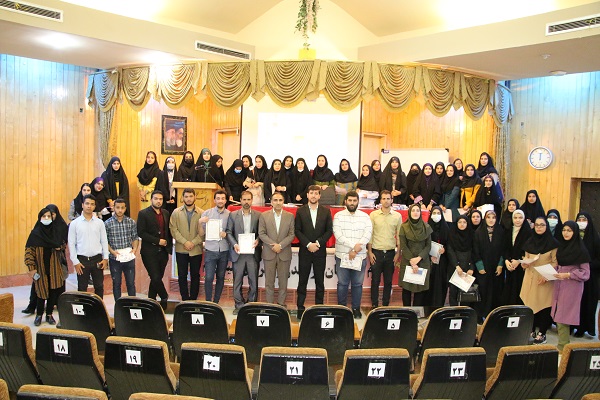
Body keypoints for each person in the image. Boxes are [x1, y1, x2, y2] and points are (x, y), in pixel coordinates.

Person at [294, 185, 333, 318]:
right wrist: (308, 244)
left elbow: (329, 231)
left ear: (320, 196)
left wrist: (318, 243)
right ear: (307, 195)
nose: (314, 195)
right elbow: (297, 230)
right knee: (302, 280)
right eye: (311, 193)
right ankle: (300, 308)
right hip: (305, 251)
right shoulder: (300, 211)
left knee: (320, 281)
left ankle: (319, 308)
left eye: (316, 193)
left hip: (319, 251)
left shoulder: (326, 211)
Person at [551, 221, 590, 351]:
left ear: (575, 232)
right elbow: (559, 265)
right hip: (559, 283)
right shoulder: (562, 247)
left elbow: (586, 273)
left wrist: (569, 274)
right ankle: (564, 345)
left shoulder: (581, 250)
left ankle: (563, 346)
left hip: (572, 286)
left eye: (569, 230)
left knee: (563, 316)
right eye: (564, 230)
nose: (565, 233)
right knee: (558, 313)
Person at [333, 191, 372, 319]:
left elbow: (368, 234)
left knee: (357, 284)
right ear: (345, 201)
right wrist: (353, 247)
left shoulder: (365, 217)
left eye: (354, 201)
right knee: (342, 283)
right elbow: (338, 234)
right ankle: (342, 309)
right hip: (342, 255)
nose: (352, 203)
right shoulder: (338, 216)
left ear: (358, 202)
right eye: (349, 200)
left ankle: (356, 308)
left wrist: (355, 250)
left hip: (359, 256)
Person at [24, 207, 66, 326]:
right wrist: (31, 268)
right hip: (40, 269)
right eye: (44, 216)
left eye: (49, 216)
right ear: (40, 218)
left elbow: (63, 244)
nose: (46, 218)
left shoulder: (56, 232)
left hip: (54, 268)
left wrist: (60, 247)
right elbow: (29, 252)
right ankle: (39, 315)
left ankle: (49, 314)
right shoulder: (35, 234)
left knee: (53, 292)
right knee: (41, 293)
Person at [520, 216, 558, 344]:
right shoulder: (529, 241)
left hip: (544, 279)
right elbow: (526, 258)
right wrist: (524, 264)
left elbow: (555, 262)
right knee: (530, 305)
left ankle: (542, 332)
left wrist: (546, 276)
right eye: (537, 225)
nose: (539, 227)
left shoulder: (553, 243)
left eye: (542, 225)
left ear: (546, 226)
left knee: (544, 306)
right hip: (530, 278)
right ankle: (531, 330)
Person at [226, 190, 262, 313]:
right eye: (244, 199)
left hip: (253, 252)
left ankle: (251, 304)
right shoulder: (233, 215)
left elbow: (262, 233)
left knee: (253, 280)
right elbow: (228, 232)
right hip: (238, 252)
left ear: (252, 200)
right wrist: (235, 244)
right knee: (237, 280)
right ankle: (239, 305)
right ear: (240, 200)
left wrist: (258, 240)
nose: (246, 202)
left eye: (249, 199)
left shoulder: (258, 215)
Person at [68, 194, 109, 299]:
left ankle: (99, 308)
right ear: (82, 205)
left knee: (99, 286)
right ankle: (83, 309)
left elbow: (104, 241)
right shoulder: (75, 223)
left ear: (94, 206)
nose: (89, 206)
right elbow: (71, 243)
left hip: (97, 259)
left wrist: (105, 258)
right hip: (82, 260)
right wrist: (75, 262)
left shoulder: (100, 223)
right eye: (87, 203)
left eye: (92, 204)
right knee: (82, 288)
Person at [258, 192, 295, 306]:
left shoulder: (290, 216)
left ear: (283, 202)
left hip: (284, 253)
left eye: (280, 200)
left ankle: (281, 304)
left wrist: (281, 245)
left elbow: (292, 234)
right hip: (269, 252)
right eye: (275, 200)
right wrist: (273, 245)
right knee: (269, 282)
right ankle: (270, 305)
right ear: (271, 202)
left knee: (283, 282)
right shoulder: (264, 215)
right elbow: (261, 233)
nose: (278, 203)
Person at [137, 190, 172, 309]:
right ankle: (164, 296)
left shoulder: (166, 213)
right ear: (151, 199)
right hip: (149, 252)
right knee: (155, 277)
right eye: (156, 199)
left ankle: (151, 300)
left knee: (156, 278)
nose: (158, 201)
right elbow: (141, 232)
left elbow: (167, 231)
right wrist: (157, 241)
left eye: (160, 199)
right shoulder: (143, 213)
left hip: (163, 252)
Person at [367, 190, 401, 309]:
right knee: (375, 281)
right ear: (380, 200)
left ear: (392, 200)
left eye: (388, 199)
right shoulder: (373, 215)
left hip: (391, 253)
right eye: (384, 199)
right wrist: (370, 252)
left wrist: (398, 253)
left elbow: (399, 236)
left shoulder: (397, 216)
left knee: (388, 281)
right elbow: (370, 235)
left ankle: (385, 305)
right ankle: (374, 305)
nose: (386, 201)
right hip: (376, 252)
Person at [169, 188, 204, 301]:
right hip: (181, 249)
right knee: (182, 275)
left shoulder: (202, 213)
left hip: (196, 249)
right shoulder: (176, 212)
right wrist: (185, 242)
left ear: (195, 197)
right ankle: (184, 299)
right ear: (182, 198)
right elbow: (173, 229)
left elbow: (204, 232)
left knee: (195, 275)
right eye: (186, 196)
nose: (188, 199)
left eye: (191, 196)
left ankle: (193, 299)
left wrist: (193, 242)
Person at [472, 210, 505, 321]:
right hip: (483, 268)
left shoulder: (500, 232)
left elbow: (503, 250)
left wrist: (500, 265)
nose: (491, 220)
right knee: (483, 291)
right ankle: (480, 314)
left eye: (493, 217)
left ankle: (494, 316)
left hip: (496, 268)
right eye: (488, 217)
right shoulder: (478, 232)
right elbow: (475, 250)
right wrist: (480, 266)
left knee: (495, 291)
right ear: (484, 219)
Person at [398, 203, 432, 306]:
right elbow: (403, 246)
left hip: (422, 261)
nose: (415, 212)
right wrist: (412, 261)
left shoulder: (426, 227)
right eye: (413, 210)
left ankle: (416, 312)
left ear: (420, 213)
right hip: (408, 261)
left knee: (420, 290)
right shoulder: (404, 227)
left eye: (417, 210)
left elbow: (428, 246)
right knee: (406, 289)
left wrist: (419, 258)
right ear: (409, 213)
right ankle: (407, 312)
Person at [200, 189, 230, 304]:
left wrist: (226, 234)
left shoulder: (230, 215)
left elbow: (232, 232)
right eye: (218, 198)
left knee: (221, 277)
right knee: (208, 277)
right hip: (210, 250)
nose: (220, 201)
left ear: (226, 200)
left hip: (224, 250)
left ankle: (216, 302)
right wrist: (200, 222)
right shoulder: (206, 214)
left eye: (222, 198)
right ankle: (208, 302)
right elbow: (201, 233)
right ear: (214, 200)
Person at [104, 198, 138, 301]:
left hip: (129, 257)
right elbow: (105, 241)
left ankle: (133, 304)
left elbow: (135, 238)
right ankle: (118, 305)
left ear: (125, 208)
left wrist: (134, 249)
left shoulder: (131, 222)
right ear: (113, 208)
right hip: (115, 258)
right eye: (117, 207)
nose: (120, 210)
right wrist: (112, 251)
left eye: (122, 208)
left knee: (131, 283)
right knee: (116, 283)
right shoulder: (107, 223)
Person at [573, 211, 600, 337]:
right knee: (575, 303)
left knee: (587, 303)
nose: (581, 222)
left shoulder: (595, 239)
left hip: (590, 277)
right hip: (574, 276)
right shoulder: (573, 236)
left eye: (584, 220)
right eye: (579, 220)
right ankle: (575, 327)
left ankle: (585, 328)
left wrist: (586, 266)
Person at [502, 210, 532, 306]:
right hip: (510, 265)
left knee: (519, 289)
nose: (517, 220)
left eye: (520, 218)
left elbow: (528, 249)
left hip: (521, 266)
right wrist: (506, 260)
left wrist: (519, 261)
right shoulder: (508, 230)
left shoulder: (528, 232)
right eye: (515, 218)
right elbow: (504, 247)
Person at [446, 215, 474, 306]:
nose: (462, 224)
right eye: (460, 222)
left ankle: (464, 312)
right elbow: (450, 250)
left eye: (464, 222)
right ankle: (453, 311)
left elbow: (475, 252)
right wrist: (456, 266)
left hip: (467, 267)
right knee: (453, 292)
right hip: (454, 267)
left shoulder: (472, 234)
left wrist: (471, 267)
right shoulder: (452, 234)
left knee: (465, 293)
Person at [426, 206, 450, 308]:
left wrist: (445, 249)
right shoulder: (427, 228)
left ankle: (439, 306)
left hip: (442, 260)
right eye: (434, 213)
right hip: (429, 260)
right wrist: (429, 255)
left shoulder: (446, 228)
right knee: (430, 283)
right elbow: (423, 244)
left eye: (438, 213)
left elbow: (450, 243)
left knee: (441, 283)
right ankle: (428, 307)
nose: (436, 215)